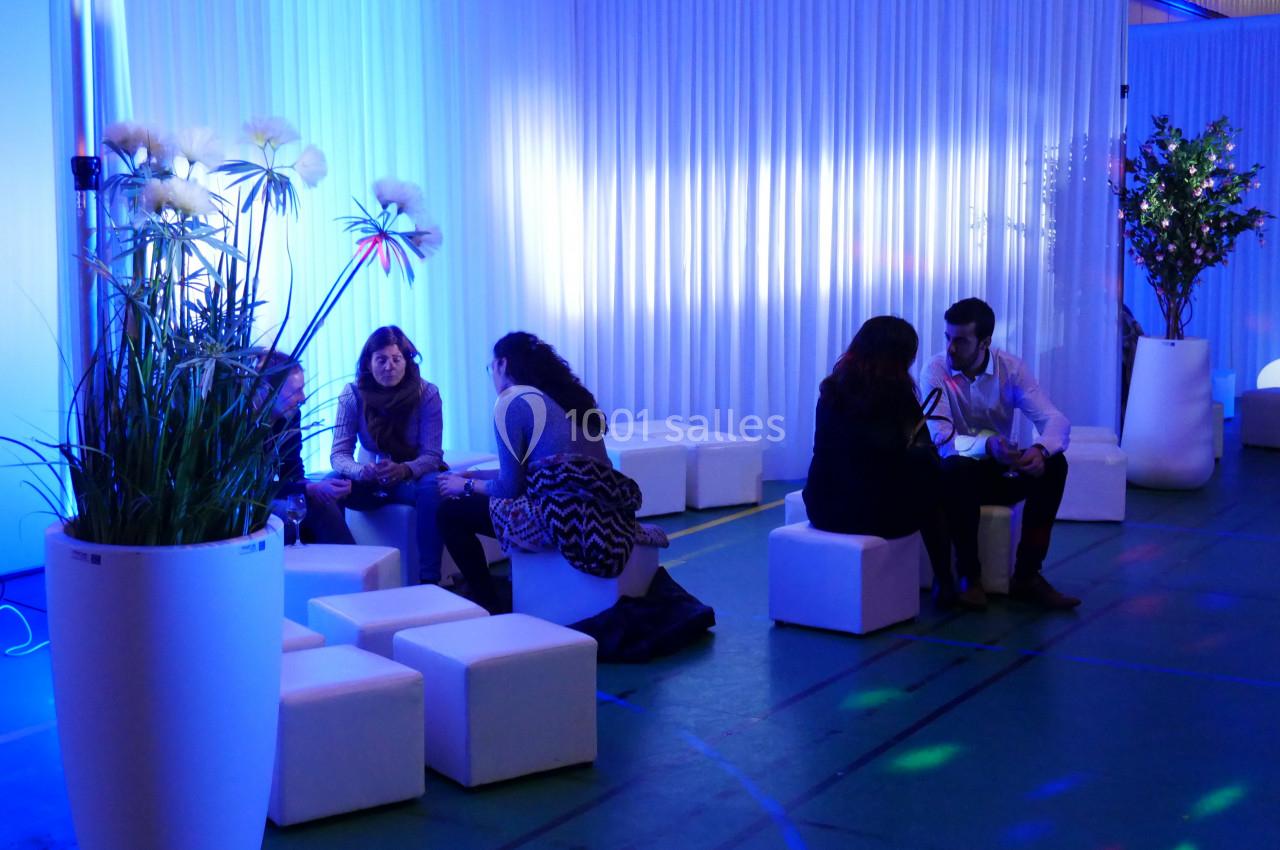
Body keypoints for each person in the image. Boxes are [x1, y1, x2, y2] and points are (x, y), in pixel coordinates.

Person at [436, 332, 663, 613]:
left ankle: (487, 601)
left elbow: (510, 488)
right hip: (601, 512)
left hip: (559, 517)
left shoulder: (512, 401)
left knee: (450, 512)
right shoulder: (567, 399)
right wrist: (475, 477)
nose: (491, 375)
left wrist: (465, 487)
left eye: (490, 368)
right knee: (469, 502)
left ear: (503, 364)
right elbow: (538, 470)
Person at [924, 297, 1080, 610]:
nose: (951, 348)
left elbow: (1054, 420)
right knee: (956, 469)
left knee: (1055, 465)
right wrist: (988, 445)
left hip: (997, 470)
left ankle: (1027, 575)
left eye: (960, 341)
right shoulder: (935, 370)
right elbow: (942, 439)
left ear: (985, 343)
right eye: (948, 338)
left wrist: (1040, 449)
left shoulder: (1010, 369)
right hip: (955, 474)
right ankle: (969, 577)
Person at [802, 316, 954, 605]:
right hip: (872, 515)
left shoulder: (831, 390)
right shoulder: (897, 396)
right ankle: (945, 579)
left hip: (820, 507)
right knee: (934, 488)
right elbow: (913, 454)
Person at [330, 326, 447, 583]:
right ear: (368, 363)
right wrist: (361, 471)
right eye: (381, 360)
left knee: (432, 486)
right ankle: (346, 572)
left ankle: (429, 580)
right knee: (330, 483)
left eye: (396, 359)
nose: (389, 367)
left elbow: (432, 455)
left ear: (407, 362)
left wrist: (405, 469)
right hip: (369, 479)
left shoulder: (427, 394)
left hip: (411, 478)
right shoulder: (352, 394)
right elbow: (338, 454)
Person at [259, 350, 355, 545]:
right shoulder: (240, 426)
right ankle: (349, 560)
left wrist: (315, 488)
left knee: (323, 501)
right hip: (249, 504)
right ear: (268, 390)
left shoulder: (290, 415)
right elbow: (255, 489)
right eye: (296, 391)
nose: (303, 398)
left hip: (273, 494)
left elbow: (292, 472)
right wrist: (309, 489)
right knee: (310, 508)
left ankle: (344, 561)